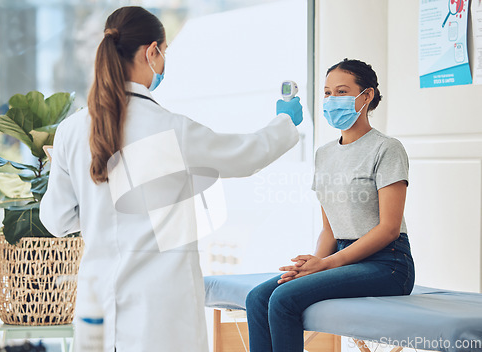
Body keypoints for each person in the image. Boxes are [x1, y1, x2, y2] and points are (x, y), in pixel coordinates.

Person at [39, 6, 303, 352]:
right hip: (160, 312)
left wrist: (93, 205)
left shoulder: (71, 131)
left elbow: (56, 220)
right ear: (151, 51)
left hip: (98, 307)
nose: (163, 63)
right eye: (163, 53)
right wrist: (285, 122)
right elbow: (244, 155)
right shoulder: (169, 128)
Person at [245, 59, 415, 352]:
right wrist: (312, 265)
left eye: (341, 91)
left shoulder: (386, 149)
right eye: (327, 93)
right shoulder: (324, 154)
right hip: (341, 257)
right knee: (258, 298)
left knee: (284, 299)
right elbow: (329, 230)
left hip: (387, 263)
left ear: (367, 95)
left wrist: (325, 265)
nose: (331, 100)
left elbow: (388, 229)